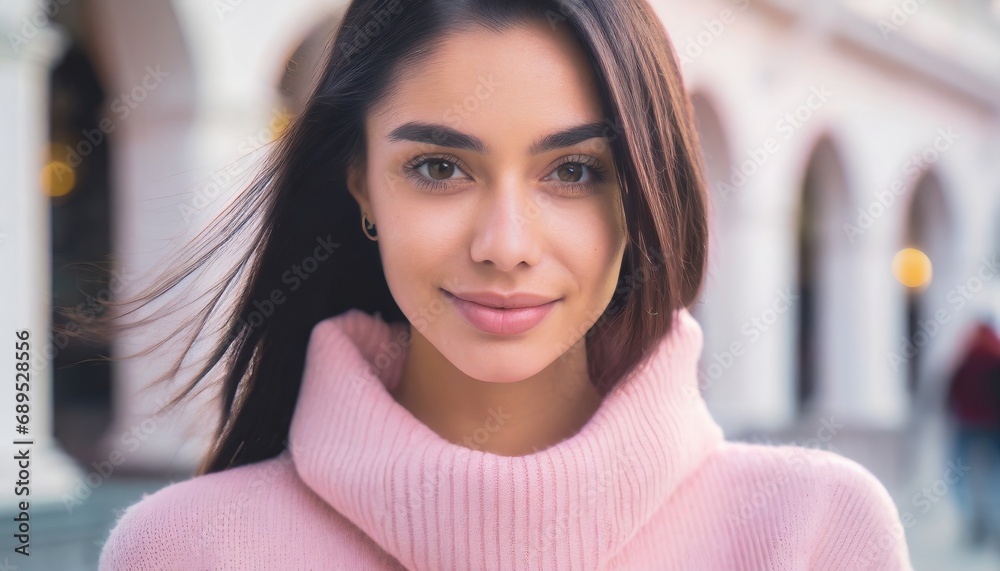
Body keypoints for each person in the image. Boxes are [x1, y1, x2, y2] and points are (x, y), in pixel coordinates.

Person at [87, 0, 912, 568]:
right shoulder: (185, 551)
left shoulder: (813, 535)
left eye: (575, 170)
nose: (506, 245)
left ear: (644, 188)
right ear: (361, 183)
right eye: (439, 167)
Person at [945, 316, 1000, 550]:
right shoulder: (995, 360)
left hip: (967, 425)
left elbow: (950, 394)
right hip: (993, 426)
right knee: (992, 475)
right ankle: (991, 521)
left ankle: (975, 521)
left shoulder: (964, 361)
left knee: (962, 474)